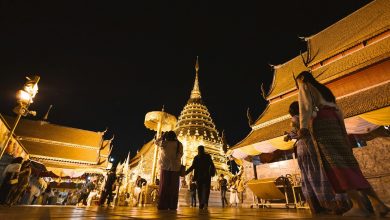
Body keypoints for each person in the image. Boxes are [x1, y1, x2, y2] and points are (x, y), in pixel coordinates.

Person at [295, 71, 389, 217]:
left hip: (323, 126)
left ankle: (359, 206)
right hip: (335, 123)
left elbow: (306, 107)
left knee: (335, 164)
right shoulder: (325, 90)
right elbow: (338, 111)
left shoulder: (304, 85)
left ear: (301, 79)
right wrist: (343, 131)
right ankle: (378, 203)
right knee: (349, 163)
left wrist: (303, 128)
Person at [285, 101, 350, 214]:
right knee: (322, 174)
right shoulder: (312, 115)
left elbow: (299, 132)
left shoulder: (296, 119)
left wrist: (290, 136)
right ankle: (337, 204)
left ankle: (320, 206)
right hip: (314, 147)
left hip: (306, 150)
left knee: (311, 176)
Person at [155, 131, 183, 210]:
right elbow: (180, 154)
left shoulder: (164, 143)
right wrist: (175, 159)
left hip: (165, 167)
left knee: (164, 187)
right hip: (175, 168)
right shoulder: (179, 144)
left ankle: (163, 205)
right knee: (173, 188)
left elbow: (156, 142)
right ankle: (172, 205)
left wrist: (162, 136)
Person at [185, 145, 216, 210]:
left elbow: (192, 167)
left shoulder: (197, 157)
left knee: (201, 191)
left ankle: (202, 204)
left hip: (200, 176)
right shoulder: (207, 157)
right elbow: (212, 165)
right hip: (206, 176)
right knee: (205, 191)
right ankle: (204, 203)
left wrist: (186, 172)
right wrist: (212, 173)